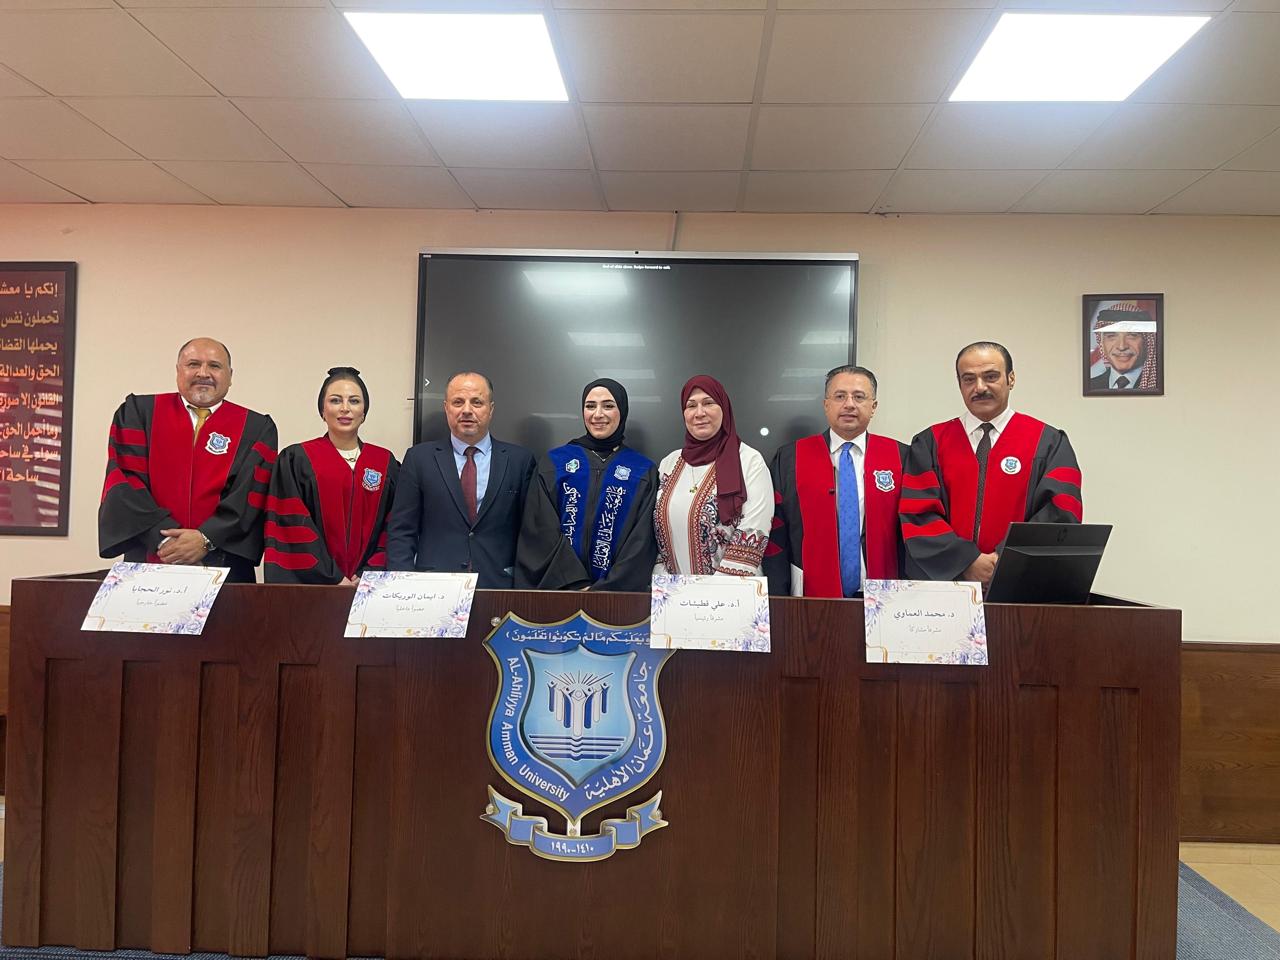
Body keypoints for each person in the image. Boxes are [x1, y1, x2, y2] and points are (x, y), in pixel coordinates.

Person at [900, 341, 1082, 585]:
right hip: (947, 588)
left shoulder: (1048, 442)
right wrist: (966, 562)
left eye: (991, 376)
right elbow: (917, 513)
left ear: (1011, 379)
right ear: (959, 384)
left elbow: (1061, 511)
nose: (980, 387)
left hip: (1020, 584)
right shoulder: (929, 442)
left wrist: (1006, 559)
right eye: (969, 379)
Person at [98, 337, 277, 583]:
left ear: (230, 376)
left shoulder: (256, 428)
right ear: (178, 370)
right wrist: (165, 541)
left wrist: (205, 539)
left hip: (225, 568)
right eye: (193, 364)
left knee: (228, 611)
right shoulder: (138, 413)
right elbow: (125, 481)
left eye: (214, 366)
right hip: (149, 562)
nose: (203, 373)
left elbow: (248, 498)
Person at [764, 365, 907, 597]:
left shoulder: (901, 457)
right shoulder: (790, 458)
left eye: (859, 397)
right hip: (809, 597)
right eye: (840, 396)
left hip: (884, 597)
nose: (849, 404)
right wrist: (777, 597)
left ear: (873, 407)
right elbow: (776, 535)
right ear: (826, 405)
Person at [386, 371, 535, 588]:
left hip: (499, 586)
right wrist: (402, 585)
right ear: (446, 408)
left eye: (477, 402)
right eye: (458, 402)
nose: (466, 410)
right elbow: (401, 530)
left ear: (491, 409)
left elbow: (530, 534)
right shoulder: (419, 459)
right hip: (433, 588)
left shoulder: (520, 461)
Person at [515, 378, 658, 591]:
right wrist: (576, 585)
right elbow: (539, 531)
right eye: (590, 406)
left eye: (608, 406)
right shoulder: (555, 463)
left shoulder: (642, 471)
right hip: (561, 592)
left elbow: (641, 542)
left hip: (617, 598)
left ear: (622, 411)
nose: (598, 414)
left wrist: (606, 590)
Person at [263, 367, 399, 584]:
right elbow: (291, 527)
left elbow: (394, 525)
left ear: (364, 412)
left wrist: (370, 573)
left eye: (354, 401)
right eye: (335, 400)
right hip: (315, 588)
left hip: (367, 585)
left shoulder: (384, 462)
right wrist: (332, 577)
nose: (345, 408)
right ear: (322, 411)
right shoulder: (297, 459)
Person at [653, 375, 773, 577]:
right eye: (691, 405)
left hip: (733, 588)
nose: (699, 413)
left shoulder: (749, 461)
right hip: (676, 591)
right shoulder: (669, 463)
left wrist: (713, 591)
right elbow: (659, 543)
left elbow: (753, 533)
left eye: (708, 403)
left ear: (724, 408)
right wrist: (668, 586)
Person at [1088, 301, 1159, 391]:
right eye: (1111, 336)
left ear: (1146, 341)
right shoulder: (1091, 386)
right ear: (1102, 342)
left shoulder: (1159, 384)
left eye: (1132, 335)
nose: (1122, 346)